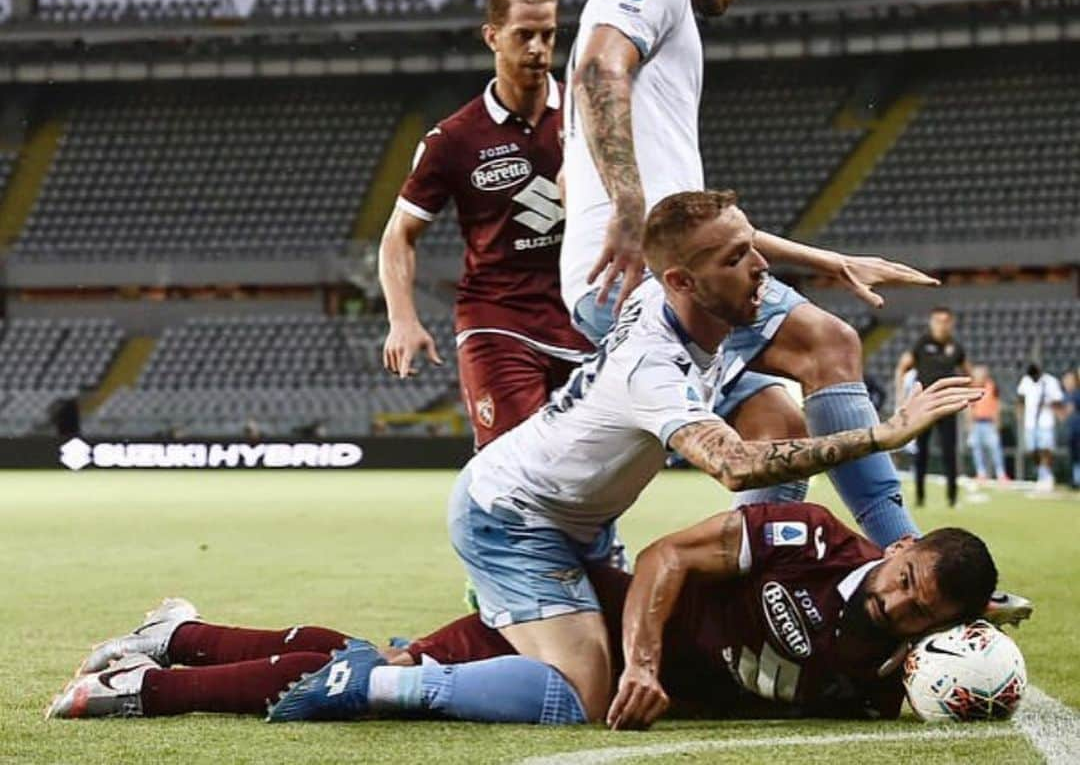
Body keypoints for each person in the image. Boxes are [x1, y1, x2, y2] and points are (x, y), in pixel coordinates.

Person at [230, 190, 974, 729]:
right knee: (582, 693)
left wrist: (830, 260)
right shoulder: (656, 366)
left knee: (774, 406)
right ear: (683, 280)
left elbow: (716, 253)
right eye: (737, 258)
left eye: (753, 248)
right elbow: (737, 467)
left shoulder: (676, 294)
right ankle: (378, 684)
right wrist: (885, 433)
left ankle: (221, 650)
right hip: (511, 518)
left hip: (581, 522)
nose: (759, 269)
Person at [559, 0, 938, 547]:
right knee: (829, 344)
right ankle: (904, 555)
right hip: (642, 274)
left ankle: (755, 601)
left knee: (779, 429)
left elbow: (696, 228)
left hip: (640, 270)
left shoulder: (671, 28)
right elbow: (597, 67)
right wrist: (627, 203)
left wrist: (828, 258)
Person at [50, 504, 1006, 727]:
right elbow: (669, 554)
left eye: (920, 611)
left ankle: (173, 635)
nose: (897, 603)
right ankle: (148, 687)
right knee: (363, 677)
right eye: (905, 578)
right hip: (576, 623)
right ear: (897, 550)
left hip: (584, 653)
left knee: (364, 656)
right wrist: (638, 662)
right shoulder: (808, 537)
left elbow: (950, 673)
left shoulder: (892, 674)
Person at [379, 0, 593, 447]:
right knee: (517, 468)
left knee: (587, 478)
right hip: (498, 318)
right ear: (492, 37)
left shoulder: (592, 115)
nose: (538, 48)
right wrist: (402, 318)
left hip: (584, 316)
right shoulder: (454, 139)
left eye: (548, 35)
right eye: (524, 35)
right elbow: (399, 235)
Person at [894, 307, 972, 509]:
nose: (941, 325)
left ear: (951, 323)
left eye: (945, 321)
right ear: (931, 322)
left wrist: (967, 397)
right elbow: (902, 367)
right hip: (925, 406)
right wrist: (902, 397)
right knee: (922, 452)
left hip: (947, 406)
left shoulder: (956, 348)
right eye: (937, 320)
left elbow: (968, 373)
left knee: (949, 453)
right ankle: (920, 497)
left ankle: (952, 498)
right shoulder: (922, 344)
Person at [1015, 362, 1063, 492]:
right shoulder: (1026, 381)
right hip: (1030, 422)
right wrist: (1019, 413)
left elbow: (1058, 399)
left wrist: (1054, 409)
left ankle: (1046, 477)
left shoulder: (1050, 381)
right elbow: (1020, 398)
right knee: (1033, 450)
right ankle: (1042, 474)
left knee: (1046, 449)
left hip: (1045, 421)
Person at [967, 363, 1008, 485]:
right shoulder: (972, 387)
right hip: (976, 423)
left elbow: (997, 406)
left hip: (989, 423)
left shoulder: (992, 386)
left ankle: (1001, 473)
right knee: (977, 449)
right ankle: (981, 473)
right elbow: (970, 408)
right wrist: (969, 425)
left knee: (995, 449)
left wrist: (997, 423)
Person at [1063, 369, 1080, 490]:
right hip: (1072, 430)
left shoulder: (1076, 394)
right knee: (1074, 456)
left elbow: (1069, 410)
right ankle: (1076, 479)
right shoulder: (1068, 394)